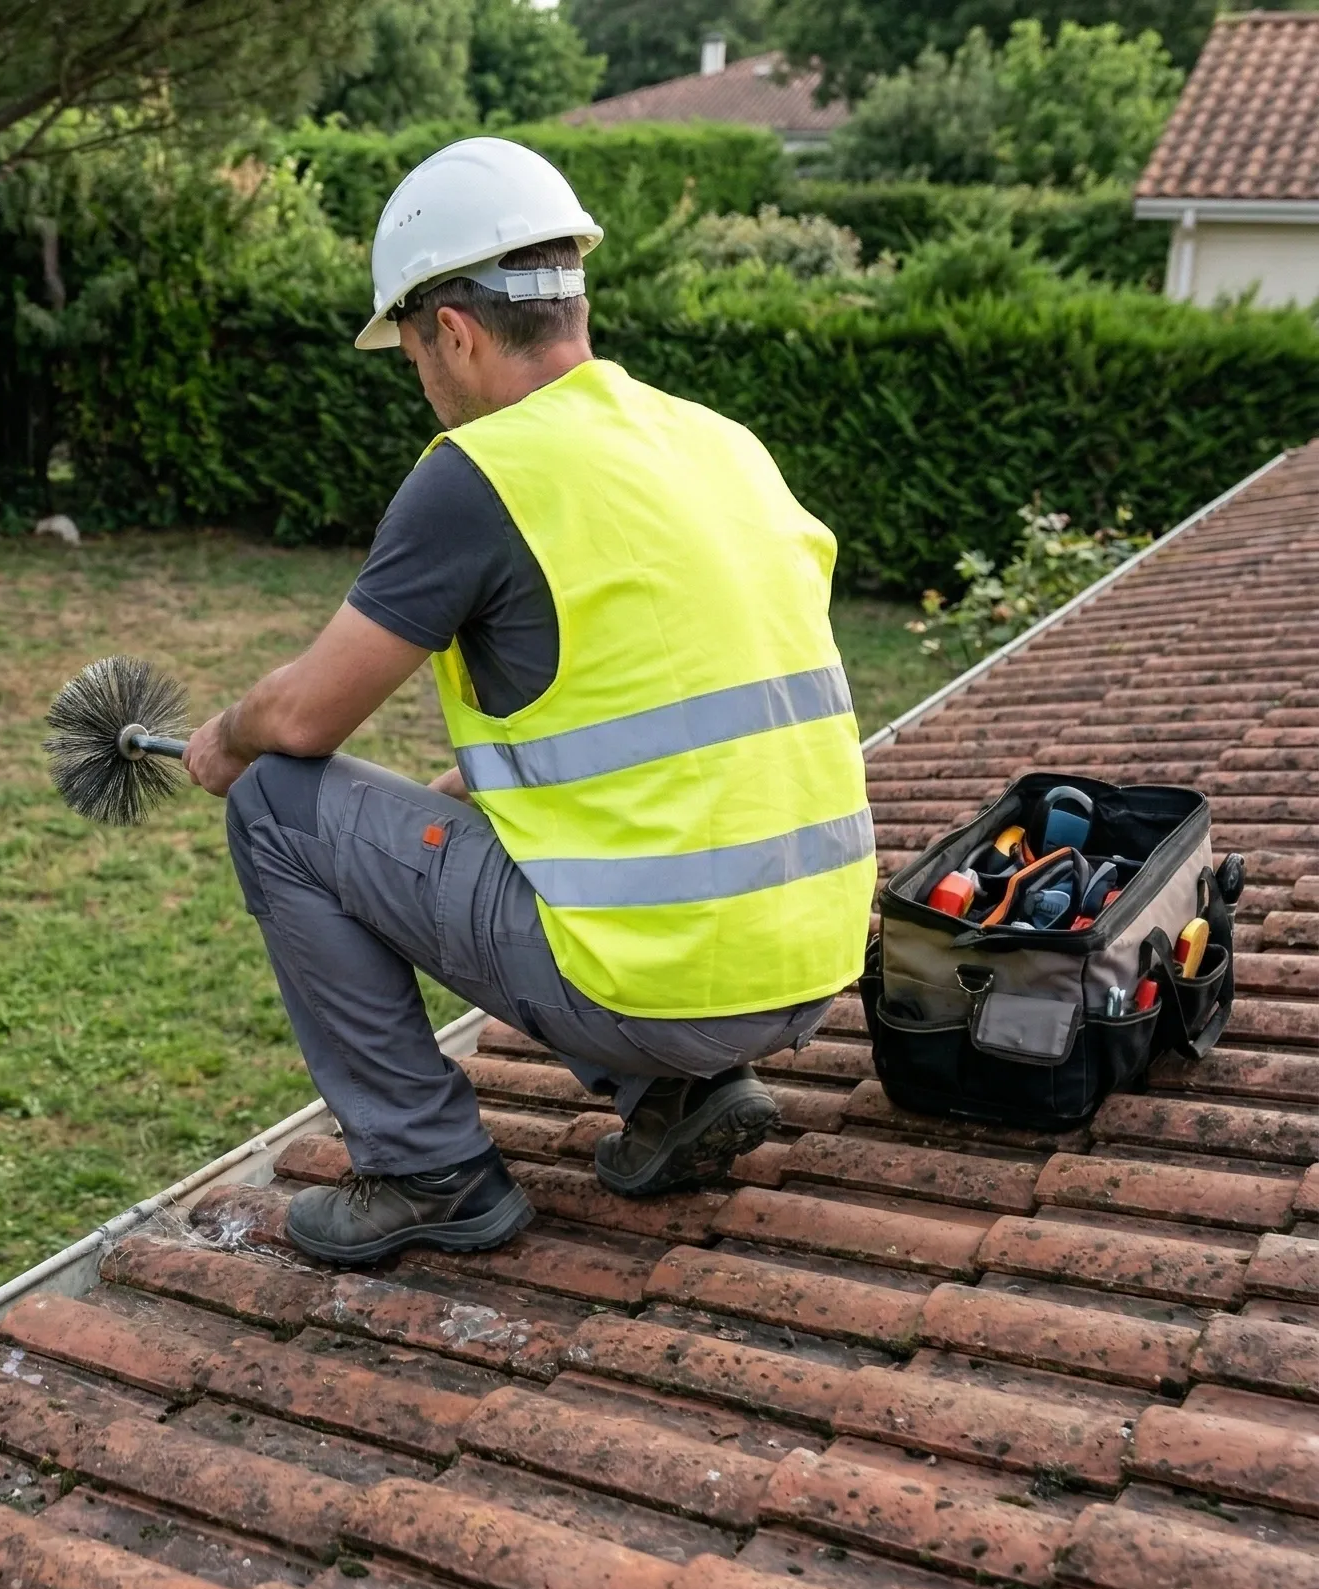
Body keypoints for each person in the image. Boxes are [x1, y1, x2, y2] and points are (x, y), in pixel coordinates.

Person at [181, 137, 872, 1265]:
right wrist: (489, 788)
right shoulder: (720, 443)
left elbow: (304, 719)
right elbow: (680, 699)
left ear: (451, 330)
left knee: (275, 807)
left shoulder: (480, 472)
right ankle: (678, 1098)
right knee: (473, 815)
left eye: (412, 350)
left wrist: (223, 737)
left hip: (663, 989)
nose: (420, 377)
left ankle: (427, 1170)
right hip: (807, 966)